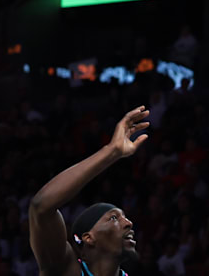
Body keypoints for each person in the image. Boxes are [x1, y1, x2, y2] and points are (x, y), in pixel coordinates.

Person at [29, 106, 150, 276]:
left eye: (125, 217)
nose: (129, 223)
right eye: (114, 218)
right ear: (88, 238)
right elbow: (41, 206)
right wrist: (112, 151)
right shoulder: (65, 270)